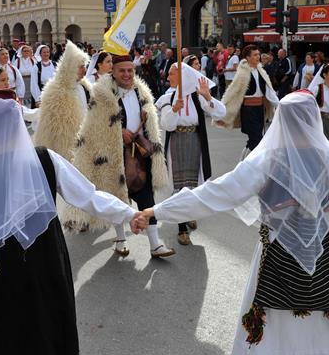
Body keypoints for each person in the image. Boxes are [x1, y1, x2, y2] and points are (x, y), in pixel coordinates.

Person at [140, 90, 329, 355]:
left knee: (271, 324)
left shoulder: (267, 161)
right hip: (319, 253)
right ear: (313, 119)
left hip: (275, 254)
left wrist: (157, 210)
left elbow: (215, 193)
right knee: (312, 321)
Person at [0, 94, 148, 355]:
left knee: (9, 334)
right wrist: (129, 213)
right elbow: (90, 196)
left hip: (3, 269)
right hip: (46, 261)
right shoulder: (46, 159)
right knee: (48, 327)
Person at [62, 54, 175, 258]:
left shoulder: (142, 92)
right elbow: (94, 126)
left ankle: (155, 244)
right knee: (117, 196)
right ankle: (120, 239)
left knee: (147, 197)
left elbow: (150, 121)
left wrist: (144, 125)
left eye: (130, 70)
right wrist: (118, 131)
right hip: (115, 154)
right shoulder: (102, 95)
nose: (127, 74)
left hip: (140, 152)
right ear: (112, 71)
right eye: (122, 70)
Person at [155, 62, 226, 245]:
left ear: (182, 76)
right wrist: (175, 109)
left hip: (195, 140)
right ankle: (181, 228)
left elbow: (220, 112)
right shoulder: (167, 98)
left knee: (193, 184)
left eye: (171, 74)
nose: (168, 77)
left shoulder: (196, 96)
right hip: (177, 141)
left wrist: (208, 96)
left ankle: (189, 213)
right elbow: (166, 125)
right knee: (179, 186)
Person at [214, 45, 279, 159]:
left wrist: (279, 105)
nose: (258, 57)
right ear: (247, 57)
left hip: (260, 110)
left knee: (254, 139)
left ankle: (243, 163)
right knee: (256, 139)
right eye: (255, 55)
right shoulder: (242, 73)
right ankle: (248, 165)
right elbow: (232, 92)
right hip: (248, 111)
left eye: (258, 54)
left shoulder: (261, 71)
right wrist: (221, 110)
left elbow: (269, 91)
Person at [34, 40, 92, 159]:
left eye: (84, 66)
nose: (84, 70)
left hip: (87, 141)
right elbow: (48, 128)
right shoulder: (54, 92)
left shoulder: (85, 87)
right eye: (81, 67)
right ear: (71, 67)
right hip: (63, 148)